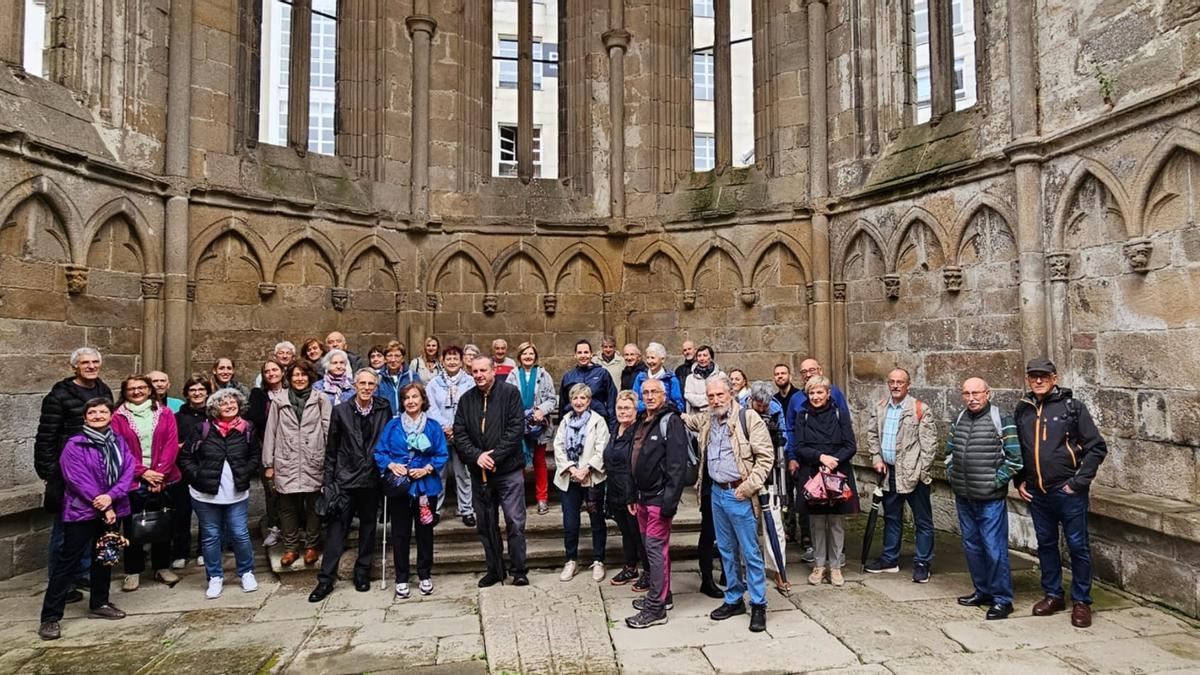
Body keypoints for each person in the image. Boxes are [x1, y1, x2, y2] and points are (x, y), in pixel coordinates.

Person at [1014, 357, 1108, 629]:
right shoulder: (1023, 409)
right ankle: (1053, 594)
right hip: (1038, 494)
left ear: (1055, 378)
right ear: (1028, 379)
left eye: (1044, 376)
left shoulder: (1072, 407)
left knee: (1078, 546)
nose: (1039, 380)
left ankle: (1082, 601)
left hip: (1067, 491)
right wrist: (1021, 479)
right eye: (1034, 376)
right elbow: (1020, 448)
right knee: (1045, 545)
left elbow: (1097, 448)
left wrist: (1078, 483)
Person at [680, 376, 773, 632]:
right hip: (716, 495)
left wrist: (748, 487)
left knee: (750, 552)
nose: (715, 400)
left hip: (739, 493)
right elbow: (688, 420)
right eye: (711, 396)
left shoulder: (748, 418)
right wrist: (670, 411)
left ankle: (758, 604)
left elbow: (766, 458)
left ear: (730, 393)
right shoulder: (708, 419)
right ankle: (733, 599)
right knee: (726, 550)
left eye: (720, 395)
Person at [38, 397, 132, 641]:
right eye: (93, 412)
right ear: (85, 417)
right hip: (82, 511)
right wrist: (102, 502)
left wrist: (111, 497)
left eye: (103, 411)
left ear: (111, 415)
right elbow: (76, 478)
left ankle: (99, 603)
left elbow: (128, 471)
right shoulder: (75, 444)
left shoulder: (119, 442)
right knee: (68, 561)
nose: (98, 415)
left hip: (113, 508)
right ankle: (50, 617)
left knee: (105, 557)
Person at [35, 347, 113, 600]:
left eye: (94, 362)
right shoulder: (59, 395)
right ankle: (61, 582)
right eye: (85, 363)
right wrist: (49, 472)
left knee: (92, 525)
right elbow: (47, 435)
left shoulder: (104, 391)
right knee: (65, 529)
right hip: (67, 472)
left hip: (99, 470)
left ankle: (83, 573)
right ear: (74, 367)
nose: (91, 366)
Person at [309, 368, 391, 602]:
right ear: (354, 385)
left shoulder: (383, 408)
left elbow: (386, 439)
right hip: (345, 478)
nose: (366, 388)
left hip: (372, 478)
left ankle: (362, 571)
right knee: (337, 530)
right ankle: (325, 580)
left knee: (368, 527)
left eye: (371, 384)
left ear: (376, 387)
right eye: (362, 383)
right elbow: (332, 449)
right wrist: (328, 481)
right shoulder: (341, 411)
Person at [946, 377, 1022, 620]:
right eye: (967, 393)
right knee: (972, 547)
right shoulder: (960, 418)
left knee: (994, 548)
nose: (971, 398)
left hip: (989, 498)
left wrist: (995, 482)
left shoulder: (1002, 419)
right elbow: (949, 452)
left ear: (988, 393)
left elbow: (1015, 459)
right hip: (964, 495)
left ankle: (1002, 599)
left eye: (976, 393)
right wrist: (952, 474)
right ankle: (982, 591)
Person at [453, 357, 528, 587]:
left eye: (483, 370)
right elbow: (460, 432)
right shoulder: (466, 400)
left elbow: (516, 429)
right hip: (480, 475)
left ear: (493, 371)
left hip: (508, 471)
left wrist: (494, 457)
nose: (478, 375)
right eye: (474, 371)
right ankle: (495, 570)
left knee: (515, 522)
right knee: (486, 525)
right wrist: (477, 456)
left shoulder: (510, 393)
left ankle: (519, 570)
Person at [178, 388, 259, 599]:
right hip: (205, 494)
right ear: (215, 408)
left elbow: (254, 455)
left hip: (236, 493)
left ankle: (246, 571)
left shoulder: (247, 429)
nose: (230, 406)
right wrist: (197, 476)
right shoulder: (202, 429)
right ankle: (215, 576)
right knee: (211, 536)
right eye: (224, 403)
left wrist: (247, 472)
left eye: (233, 402)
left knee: (239, 533)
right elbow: (185, 457)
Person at [625, 378, 690, 629]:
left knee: (654, 549)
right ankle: (664, 594)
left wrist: (669, 502)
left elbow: (677, 465)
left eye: (654, 392)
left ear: (664, 395)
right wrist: (631, 494)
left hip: (659, 499)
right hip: (642, 498)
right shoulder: (643, 419)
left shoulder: (670, 421)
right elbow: (632, 458)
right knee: (652, 549)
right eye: (646, 392)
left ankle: (656, 608)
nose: (650, 396)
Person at [377, 382, 450, 599]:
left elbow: (442, 454)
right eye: (407, 397)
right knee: (400, 533)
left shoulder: (433, 426)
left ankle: (425, 574)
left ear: (422, 400)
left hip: (425, 488)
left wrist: (427, 469)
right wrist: (391, 465)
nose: (411, 401)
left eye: (415, 397)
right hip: (401, 487)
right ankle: (401, 577)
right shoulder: (393, 425)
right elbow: (380, 452)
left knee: (425, 532)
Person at [864, 368, 938, 583]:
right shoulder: (880, 407)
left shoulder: (920, 409)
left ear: (908, 385)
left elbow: (929, 446)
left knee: (922, 520)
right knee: (891, 517)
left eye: (900, 382)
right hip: (889, 472)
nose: (895, 386)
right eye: (892, 382)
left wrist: (921, 472)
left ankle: (923, 562)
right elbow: (872, 435)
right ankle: (889, 559)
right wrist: (876, 458)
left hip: (914, 473)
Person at [111, 374, 181, 592]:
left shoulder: (165, 412)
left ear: (150, 390)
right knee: (133, 526)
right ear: (125, 392)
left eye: (141, 387)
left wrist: (159, 474)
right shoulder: (118, 417)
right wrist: (144, 473)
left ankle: (162, 567)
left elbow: (171, 443)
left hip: (163, 478)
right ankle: (133, 570)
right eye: (131, 388)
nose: (137, 391)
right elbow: (119, 449)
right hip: (133, 479)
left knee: (163, 522)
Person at [788, 375, 858, 587]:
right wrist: (821, 458)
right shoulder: (803, 416)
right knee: (817, 522)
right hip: (813, 471)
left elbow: (850, 444)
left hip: (837, 471)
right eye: (812, 393)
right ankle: (819, 565)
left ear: (828, 393)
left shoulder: (839, 413)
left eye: (820, 392)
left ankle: (835, 567)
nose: (816, 397)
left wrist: (833, 461)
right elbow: (799, 446)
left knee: (835, 522)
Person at [263, 362, 332, 567]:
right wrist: (269, 464)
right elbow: (271, 432)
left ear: (310, 377)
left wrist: (329, 460)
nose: (300, 379)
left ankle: (311, 546)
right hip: (287, 459)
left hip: (314, 458)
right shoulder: (279, 401)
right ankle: (291, 548)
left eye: (303, 375)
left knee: (314, 505)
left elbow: (328, 429)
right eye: (295, 375)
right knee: (287, 507)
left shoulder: (321, 399)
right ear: (289, 377)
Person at [553, 383, 610, 582]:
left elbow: (602, 448)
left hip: (591, 478)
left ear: (589, 401)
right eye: (575, 398)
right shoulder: (565, 421)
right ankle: (571, 560)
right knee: (570, 522)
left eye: (583, 398)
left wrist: (587, 469)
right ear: (570, 401)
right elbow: (558, 447)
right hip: (570, 478)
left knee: (596, 521)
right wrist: (572, 469)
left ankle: (598, 560)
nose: (579, 402)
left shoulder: (598, 421)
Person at [747, 380, 792, 592]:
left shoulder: (775, 408)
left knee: (774, 525)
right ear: (751, 400)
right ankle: (747, 569)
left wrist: (781, 441)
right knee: (746, 526)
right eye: (759, 405)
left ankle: (778, 569)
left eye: (765, 405)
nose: (763, 409)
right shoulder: (741, 407)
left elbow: (784, 433)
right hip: (746, 474)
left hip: (772, 473)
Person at [505, 342, 559, 515]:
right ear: (519, 357)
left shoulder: (544, 375)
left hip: (538, 427)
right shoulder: (513, 375)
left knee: (539, 462)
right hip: (518, 425)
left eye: (531, 354)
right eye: (524, 354)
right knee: (518, 463)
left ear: (535, 356)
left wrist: (541, 411)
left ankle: (542, 498)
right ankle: (518, 498)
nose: (528, 357)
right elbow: (505, 398)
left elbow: (552, 398)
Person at [427, 345, 476, 527]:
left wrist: (456, 427)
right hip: (440, 435)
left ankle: (467, 509)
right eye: (449, 358)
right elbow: (430, 407)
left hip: (462, 433)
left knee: (463, 473)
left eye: (456, 358)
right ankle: (436, 510)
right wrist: (444, 426)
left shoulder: (470, 382)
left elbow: (470, 406)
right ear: (443, 361)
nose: (452, 362)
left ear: (461, 360)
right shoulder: (433, 383)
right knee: (439, 473)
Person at [604, 390, 648, 587]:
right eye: (620, 408)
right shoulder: (615, 429)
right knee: (626, 532)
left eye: (627, 408)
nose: (623, 412)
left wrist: (634, 495)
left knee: (638, 533)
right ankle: (630, 567)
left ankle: (648, 570)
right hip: (614, 489)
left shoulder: (639, 432)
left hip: (632, 492)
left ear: (635, 409)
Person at [172, 376, 211, 568]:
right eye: (193, 390)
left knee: (206, 513)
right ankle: (180, 552)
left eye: (201, 390)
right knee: (181, 512)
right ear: (187, 393)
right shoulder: (177, 417)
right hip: (181, 471)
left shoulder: (212, 415)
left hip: (205, 469)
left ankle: (204, 550)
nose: (197, 393)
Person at [247, 360, 287, 548]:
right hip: (268, 448)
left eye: (275, 370)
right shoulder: (259, 395)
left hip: (292, 449)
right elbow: (256, 418)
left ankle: (293, 529)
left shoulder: (292, 392)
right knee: (272, 491)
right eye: (267, 371)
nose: (271, 373)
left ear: (282, 372)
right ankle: (274, 528)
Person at [559, 340, 618, 431]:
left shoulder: (602, 374)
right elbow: (563, 404)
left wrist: (612, 428)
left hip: (597, 422)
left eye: (586, 352)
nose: (583, 356)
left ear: (591, 354)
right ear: (575, 355)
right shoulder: (568, 377)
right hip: (573, 423)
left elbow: (611, 402)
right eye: (580, 353)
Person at [631, 342, 684, 412]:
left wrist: (659, 406)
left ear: (662, 359)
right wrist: (648, 406)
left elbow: (679, 405)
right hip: (643, 418)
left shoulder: (671, 379)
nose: (649, 361)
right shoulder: (640, 377)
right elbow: (634, 401)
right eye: (648, 358)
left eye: (653, 358)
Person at [378, 340, 420, 418]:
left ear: (402, 359)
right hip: (386, 421)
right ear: (385, 359)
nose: (393, 360)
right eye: (390, 356)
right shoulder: (379, 378)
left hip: (408, 419)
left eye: (397, 356)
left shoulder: (412, 376)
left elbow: (420, 400)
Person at [683, 346, 725, 413]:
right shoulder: (690, 378)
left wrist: (700, 398)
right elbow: (689, 397)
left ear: (711, 358)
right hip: (696, 418)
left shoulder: (720, 375)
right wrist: (710, 398)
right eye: (699, 356)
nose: (702, 358)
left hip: (716, 415)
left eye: (705, 355)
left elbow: (723, 396)